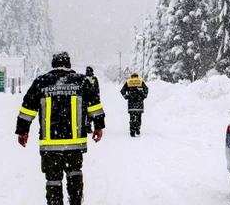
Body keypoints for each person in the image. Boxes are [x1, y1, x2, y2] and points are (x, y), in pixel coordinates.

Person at [15, 52, 106, 205]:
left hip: (50, 144)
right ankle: (75, 201)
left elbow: (27, 108)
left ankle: (55, 202)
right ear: (69, 64)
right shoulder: (81, 81)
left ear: (53, 64)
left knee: (53, 180)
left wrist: (23, 130)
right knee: (74, 174)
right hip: (75, 143)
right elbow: (94, 105)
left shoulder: (42, 82)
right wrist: (98, 126)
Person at [120, 73, 148, 137]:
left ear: (131, 77)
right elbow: (146, 89)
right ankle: (137, 128)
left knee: (132, 117)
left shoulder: (129, 82)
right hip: (139, 103)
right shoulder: (140, 82)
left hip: (131, 103)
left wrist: (126, 96)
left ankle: (132, 131)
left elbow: (122, 91)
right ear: (137, 77)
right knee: (138, 116)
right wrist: (143, 96)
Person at [84, 66, 100, 134]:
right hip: (94, 99)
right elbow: (97, 89)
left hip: (87, 99)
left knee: (87, 114)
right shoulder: (94, 78)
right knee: (95, 114)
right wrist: (98, 98)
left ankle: (88, 126)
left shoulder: (84, 78)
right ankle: (96, 127)